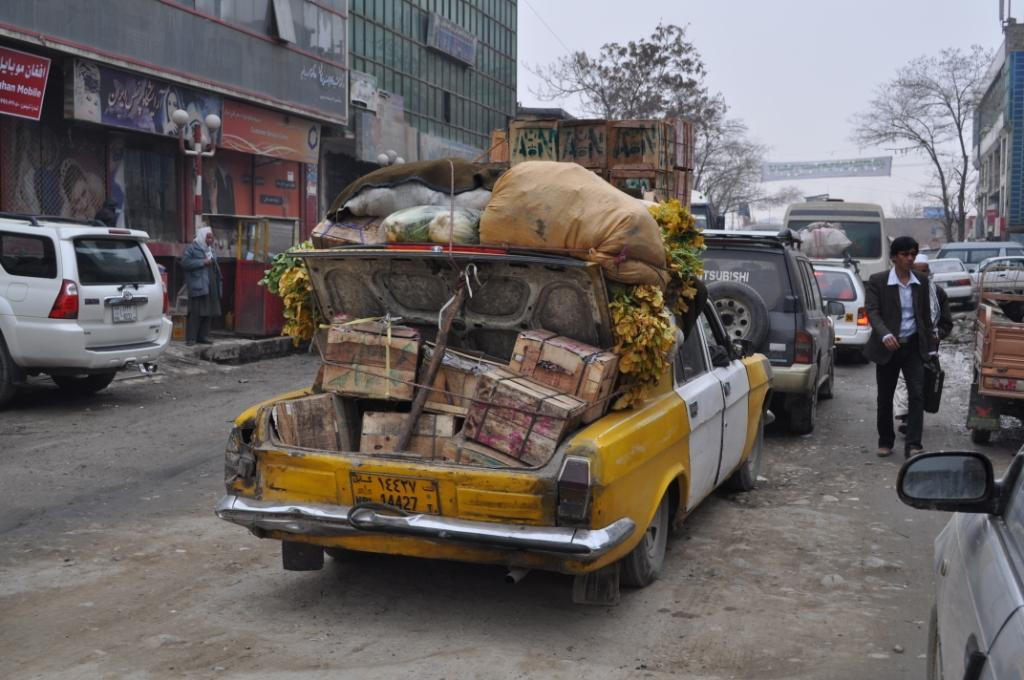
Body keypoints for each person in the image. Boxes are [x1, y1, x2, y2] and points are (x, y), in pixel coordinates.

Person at [864, 236, 935, 458]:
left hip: (913, 346)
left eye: (913, 254)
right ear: (894, 257)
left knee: (917, 395)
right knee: (885, 396)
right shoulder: (878, 281)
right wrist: (884, 333)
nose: (910, 259)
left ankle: (914, 444)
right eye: (905, 254)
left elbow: (924, 315)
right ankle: (885, 441)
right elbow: (873, 312)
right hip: (888, 348)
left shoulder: (921, 281)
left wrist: (931, 342)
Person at [894, 254, 952, 428]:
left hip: (927, 348)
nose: (921, 274)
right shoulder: (902, 290)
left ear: (929, 272)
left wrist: (938, 334)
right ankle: (906, 417)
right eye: (916, 271)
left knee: (920, 382)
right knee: (904, 380)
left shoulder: (938, 293)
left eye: (924, 271)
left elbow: (946, 322)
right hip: (905, 343)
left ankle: (913, 417)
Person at [180, 226, 222, 346]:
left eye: (211, 237)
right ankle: (191, 338)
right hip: (198, 284)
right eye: (208, 237)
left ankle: (203, 336)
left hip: (210, 284)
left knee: (208, 312)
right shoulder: (192, 249)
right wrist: (202, 262)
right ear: (202, 237)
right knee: (195, 312)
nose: (210, 240)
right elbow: (185, 263)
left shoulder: (211, 250)